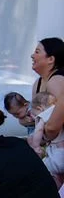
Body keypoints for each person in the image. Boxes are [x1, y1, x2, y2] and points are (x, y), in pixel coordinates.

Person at [29, 38, 64, 186]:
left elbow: (54, 124)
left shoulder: (55, 81)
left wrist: (44, 135)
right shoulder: (38, 83)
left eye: (37, 52)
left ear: (51, 59)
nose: (32, 56)